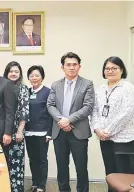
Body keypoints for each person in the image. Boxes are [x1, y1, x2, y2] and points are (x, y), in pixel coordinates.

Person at [47, 52, 95, 192]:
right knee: (62, 166)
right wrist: (61, 120)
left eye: (75, 64)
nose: (71, 67)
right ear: (62, 67)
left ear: (79, 66)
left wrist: (69, 120)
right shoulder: (56, 85)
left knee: (81, 167)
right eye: (68, 65)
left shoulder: (87, 84)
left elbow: (88, 107)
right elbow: (50, 105)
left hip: (78, 131)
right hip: (59, 131)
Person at [91, 57, 134, 191]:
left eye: (114, 68)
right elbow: (94, 111)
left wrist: (108, 131)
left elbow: (126, 113)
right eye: (107, 68)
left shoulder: (128, 88)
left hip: (123, 139)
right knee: (111, 173)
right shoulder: (100, 89)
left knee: (125, 175)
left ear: (121, 70)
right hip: (104, 138)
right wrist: (96, 129)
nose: (110, 71)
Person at [3, 61, 29, 192]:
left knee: (15, 164)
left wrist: (20, 131)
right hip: (3, 130)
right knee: (3, 162)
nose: (13, 74)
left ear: (20, 74)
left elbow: (24, 111)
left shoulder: (22, 88)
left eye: (16, 72)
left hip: (16, 132)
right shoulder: (2, 87)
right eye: (11, 71)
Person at [25, 65, 52, 192]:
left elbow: (52, 113)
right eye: (31, 75)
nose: (34, 78)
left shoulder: (48, 92)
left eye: (37, 75)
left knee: (42, 159)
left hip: (42, 132)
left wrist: (49, 133)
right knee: (32, 159)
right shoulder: (27, 91)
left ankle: (42, 186)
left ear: (42, 77)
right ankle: (35, 183)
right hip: (28, 132)